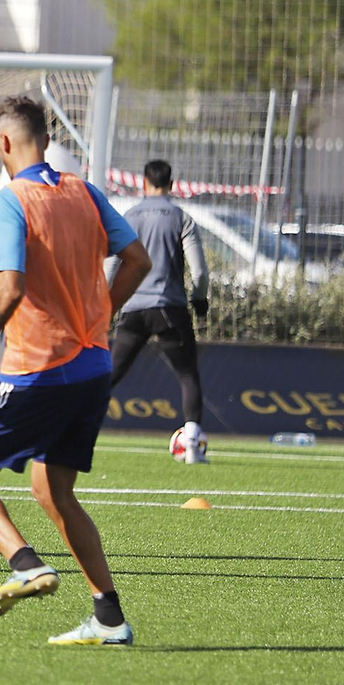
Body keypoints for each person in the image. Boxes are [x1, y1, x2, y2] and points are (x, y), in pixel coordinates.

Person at [0, 96, 151, 646]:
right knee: (53, 490)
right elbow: (139, 260)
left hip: (37, 369)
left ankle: (25, 563)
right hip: (94, 367)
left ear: (3, 143)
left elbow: (10, 287)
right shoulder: (84, 191)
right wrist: (101, 313)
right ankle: (109, 618)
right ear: (45, 142)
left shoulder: (10, 200)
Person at [108, 160, 211, 464]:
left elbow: (111, 265)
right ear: (172, 184)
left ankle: (73, 428)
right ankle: (191, 444)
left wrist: (106, 304)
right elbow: (200, 271)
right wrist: (199, 298)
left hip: (132, 308)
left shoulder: (128, 217)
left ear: (143, 183)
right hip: (169, 308)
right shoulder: (181, 217)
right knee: (187, 375)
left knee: (110, 374)